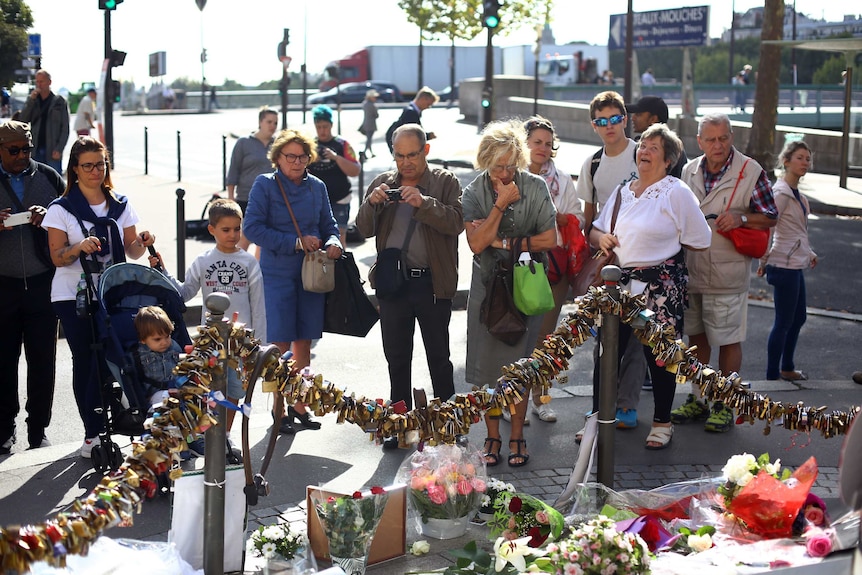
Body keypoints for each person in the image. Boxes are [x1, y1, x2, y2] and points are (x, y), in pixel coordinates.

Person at [590, 123, 712, 449]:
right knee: (606, 354)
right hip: (618, 287)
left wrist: (664, 253)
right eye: (642, 145)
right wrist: (602, 238)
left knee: (660, 358)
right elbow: (596, 230)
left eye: (653, 148)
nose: (644, 151)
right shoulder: (622, 191)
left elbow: (701, 238)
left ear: (668, 159)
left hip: (660, 289)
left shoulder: (676, 192)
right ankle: (596, 419)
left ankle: (662, 421)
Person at [42, 136, 156, 458]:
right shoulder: (60, 209)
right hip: (72, 295)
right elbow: (57, 256)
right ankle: (92, 432)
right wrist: (79, 247)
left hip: (112, 292)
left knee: (114, 358)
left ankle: (117, 417)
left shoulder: (120, 203)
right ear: (75, 170)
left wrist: (144, 241)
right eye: (88, 165)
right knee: (87, 361)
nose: (95, 171)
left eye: (100, 164)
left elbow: (132, 250)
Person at [356, 124, 463, 450]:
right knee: (397, 357)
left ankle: (447, 423)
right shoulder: (383, 182)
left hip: (431, 283)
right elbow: (362, 229)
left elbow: (456, 222)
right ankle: (399, 424)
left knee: (439, 358)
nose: (406, 163)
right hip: (393, 285)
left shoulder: (444, 182)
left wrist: (424, 203)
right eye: (399, 156)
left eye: (412, 155)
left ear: (425, 151)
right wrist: (373, 204)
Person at [675, 113, 778, 433]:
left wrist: (742, 219)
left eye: (723, 138)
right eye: (711, 139)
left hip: (727, 270)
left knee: (728, 339)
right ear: (699, 142)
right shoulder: (690, 169)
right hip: (692, 270)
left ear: (732, 137)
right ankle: (700, 397)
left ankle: (726, 403)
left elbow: (770, 216)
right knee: (697, 338)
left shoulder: (750, 170)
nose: (717, 145)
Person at [462, 119, 556, 468]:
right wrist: (501, 204)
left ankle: (517, 435)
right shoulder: (473, 192)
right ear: (485, 162)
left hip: (526, 287)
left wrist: (508, 242)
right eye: (498, 165)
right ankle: (492, 436)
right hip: (488, 291)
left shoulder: (536, 186)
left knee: (521, 367)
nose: (505, 171)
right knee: (489, 373)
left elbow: (551, 239)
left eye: (510, 164)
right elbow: (475, 243)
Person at [243, 129, 342, 435]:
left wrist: (334, 241)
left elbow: (329, 224)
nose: (297, 162)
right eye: (291, 156)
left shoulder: (317, 186)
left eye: (303, 156)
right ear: (278, 158)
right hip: (277, 272)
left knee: (305, 341)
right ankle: (279, 409)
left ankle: (300, 404)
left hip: (312, 274)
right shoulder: (265, 184)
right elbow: (253, 228)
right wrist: (296, 242)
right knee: (280, 343)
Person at [150, 198, 266, 454]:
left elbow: (258, 307)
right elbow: (184, 292)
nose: (233, 235)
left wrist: (260, 345)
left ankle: (224, 436)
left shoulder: (249, 262)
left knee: (235, 390)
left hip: (241, 345)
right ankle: (206, 436)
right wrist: (163, 270)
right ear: (211, 229)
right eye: (226, 229)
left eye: (237, 229)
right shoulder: (203, 261)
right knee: (209, 392)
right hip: (210, 343)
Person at [575, 91, 645, 432]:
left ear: (625, 119)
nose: (609, 126)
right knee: (604, 338)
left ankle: (628, 405)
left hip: (645, 259)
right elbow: (588, 224)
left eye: (615, 119)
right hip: (608, 262)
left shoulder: (642, 154)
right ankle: (599, 407)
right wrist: (598, 239)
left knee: (636, 337)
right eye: (601, 121)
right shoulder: (592, 164)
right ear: (594, 126)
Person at [0, 120, 64, 454]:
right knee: (3, 361)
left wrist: (49, 216)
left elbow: (70, 219)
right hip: (3, 286)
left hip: (42, 284)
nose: (22, 156)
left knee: (43, 360)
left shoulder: (48, 177)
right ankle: (4, 429)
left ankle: (38, 429)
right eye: (14, 151)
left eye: (26, 149)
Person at [519, 115, 585, 425]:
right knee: (514, 336)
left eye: (548, 143)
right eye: (537, 142)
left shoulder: (562, 180)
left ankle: (541, 399)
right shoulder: (510, 175)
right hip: (518, 266)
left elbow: (577, 218)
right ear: (524, 143)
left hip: (553, 269)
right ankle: (510, 401)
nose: (543, 148)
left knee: (545, 339)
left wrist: (562, 219)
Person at [758, 140, 816, 381]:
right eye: (800, 158)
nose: (805, 162)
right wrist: (763, 259)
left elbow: (797, 230)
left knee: (798, 317)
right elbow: (769, 226)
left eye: (807, 159)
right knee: (784, 321)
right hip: (783, 263)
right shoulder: (780, 193)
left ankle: (787, 367)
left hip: (795, 263)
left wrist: (810, 252)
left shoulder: (799, 197)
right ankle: (773, 374)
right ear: (786, 161)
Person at [133, 306, 206, 458]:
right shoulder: (140, 353)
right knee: (168, 405)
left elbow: (182, 367)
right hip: (155, 392)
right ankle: (175, 443)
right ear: (143, 339)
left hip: (176, 386)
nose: (164, 342)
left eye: (167, 336)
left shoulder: (173, 346)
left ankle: (192, 438)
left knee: (195, 401)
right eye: (157, 339)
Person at [307, 105, 360, 246]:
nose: (322, 130)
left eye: (325, 126)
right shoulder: (310, 145)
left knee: (339, 236)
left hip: (340, 199)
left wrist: (336, 158)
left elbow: (355, 171)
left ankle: (340, 266)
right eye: (319, 127)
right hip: (316, 200)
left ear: (331, 125)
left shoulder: (342, 144)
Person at [227, 107, 279, 250]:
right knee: (245, 237)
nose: (272, 126)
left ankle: (258, 271)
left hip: (271, 199)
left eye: (275, 123)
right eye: (269, 122)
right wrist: (231, 198)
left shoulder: (278, 145)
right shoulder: (244, 142)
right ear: (260, 122)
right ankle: (238, 268)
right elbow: (233, 171)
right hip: (246, 198)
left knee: (264, 241)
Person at [19, 70, 70, 174]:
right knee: (35, 183)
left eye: (41, 81)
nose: (39, 84)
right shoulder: (34, 101)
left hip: (52, 150)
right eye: (37, 82)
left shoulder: (59, 102)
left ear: (49, 82)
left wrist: (59, 149)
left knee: (54, 184)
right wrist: (31, 101)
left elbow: (65, 128)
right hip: (35, 149)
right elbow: (23, 120)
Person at [626, 96, 687, 178]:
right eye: (643, 146)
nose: (632, 118)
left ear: (653, 119)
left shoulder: (672, 147)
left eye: (638, 114)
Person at [385, 86, 439, 152]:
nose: (428, 107)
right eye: (428, 104)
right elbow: (413, 134)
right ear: (423, 99)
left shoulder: (412, 110)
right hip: (399, 144)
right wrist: (428, 136)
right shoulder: (411, 112)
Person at [361, 89, 379, 158]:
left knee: (369, 139)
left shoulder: (365, 104)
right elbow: (376, 115)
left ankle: (370, 153)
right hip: (371, 125)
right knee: (369, 140)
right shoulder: (372, 105)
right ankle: (364, 152)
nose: (375, 98)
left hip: (366, 123)